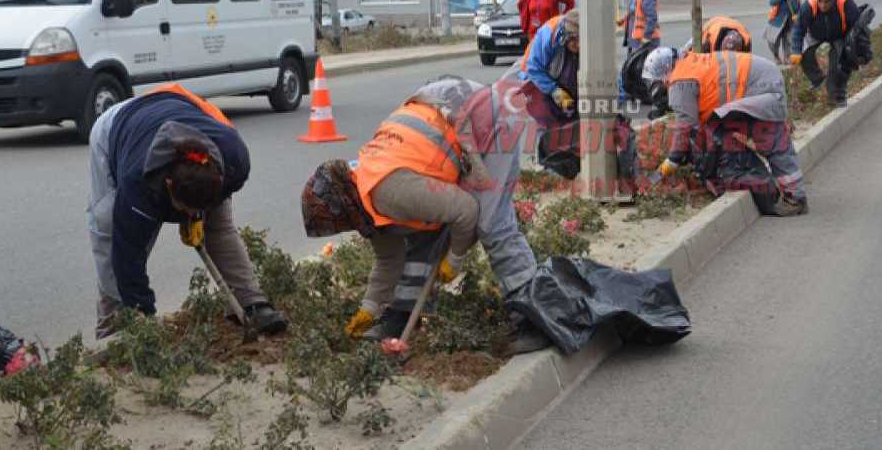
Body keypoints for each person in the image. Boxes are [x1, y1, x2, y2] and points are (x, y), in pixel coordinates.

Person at [302, 76, 550, 354]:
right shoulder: (361, 196)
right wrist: (368, 310)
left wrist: (454, 259)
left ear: (342, 207)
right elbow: (388, 259)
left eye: (335, 224)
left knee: (492, 223)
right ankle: (402, 316)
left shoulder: (389, 191)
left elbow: (465, 211)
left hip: (484, 117)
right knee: (421, 231)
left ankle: (533, 317)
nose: (341, 228)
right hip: (441, 109)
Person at [86, 84, 289, 339]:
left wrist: (198, 216)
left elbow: (216, 217)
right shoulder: (137, 184)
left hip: (182, 108)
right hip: (117, 128)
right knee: (109, 231)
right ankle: (114, 329)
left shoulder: (234, 161)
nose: (192, 214)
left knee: (219, 225)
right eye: (185, 209)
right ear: (168, 185)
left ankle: (251, 303)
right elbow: (128, 256)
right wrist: (144, 317)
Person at [651, 50, 808, 216]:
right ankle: (792, 194)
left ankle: (795, 199)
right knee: (761, 139)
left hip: (760, 88)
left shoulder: (680, 80)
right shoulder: (688, 63)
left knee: (773, 143)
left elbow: (686, 125)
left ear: (662, 74)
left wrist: (673, 159)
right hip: (763, 80)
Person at [790, 0, 863, 108]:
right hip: (815, 34)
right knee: (804, 53)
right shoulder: (809, 5)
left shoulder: (846, 4)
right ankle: (818, 79)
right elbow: (798, 29)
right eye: (821, 1)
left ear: (834, 0)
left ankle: (835, 95)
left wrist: (857, 51)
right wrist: (796, 51)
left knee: (838, 64)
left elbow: (858, 28)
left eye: (827, 2)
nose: (823, 5)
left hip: (839, 35)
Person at [518, 9, 581, 126]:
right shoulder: (549, 35)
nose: (579, 45)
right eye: (575, 41)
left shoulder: (582, 33)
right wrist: (554, 90)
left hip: (556, 75)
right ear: (566, 36)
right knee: (544, 120)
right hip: (534, 78)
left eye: (581, 41)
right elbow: (533, 69)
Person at [619, 0, 660, 104]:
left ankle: (648, 96)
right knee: (635, 69)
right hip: (635, 41)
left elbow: (652, 18)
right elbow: (635, 14)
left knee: (645, 69)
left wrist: (646, 37)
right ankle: (635, 93)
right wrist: (624, 20)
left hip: (645, 41)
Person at [766, 0, 801, 64]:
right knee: (773, 42)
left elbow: (798, 10)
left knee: (789, 42)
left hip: (789, 24)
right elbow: (772, 2)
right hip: (777, 23)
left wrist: (797, 16)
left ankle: (787, 57)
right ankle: (776, 56)